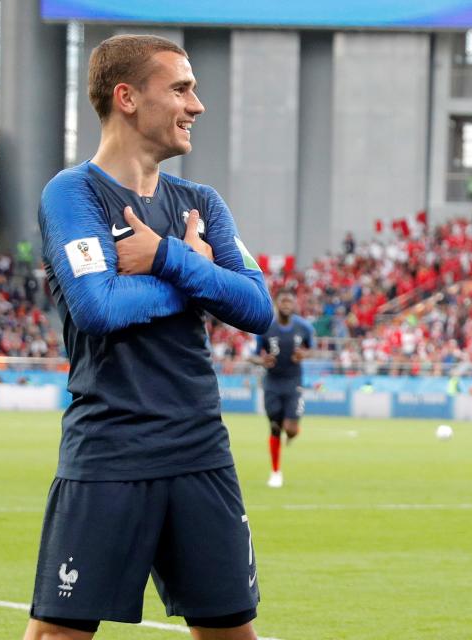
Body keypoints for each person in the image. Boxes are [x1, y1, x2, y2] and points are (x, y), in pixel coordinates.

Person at [26, 35, 273, 640]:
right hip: (109, 451)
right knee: (57, 634)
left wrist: (164, 257)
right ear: (127, 97)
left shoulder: (200, 202)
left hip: (200, 451)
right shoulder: (72, 193)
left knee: (231, 634)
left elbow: (258, 306)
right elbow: (98, 306)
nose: (198, 105)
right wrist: (197, 273)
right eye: (182, 89)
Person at [250, 289, 315, 488]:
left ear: (295, 304)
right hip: (272, 383)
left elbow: (312, 349)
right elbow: (252, 355)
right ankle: (276, 472)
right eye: (283, 301)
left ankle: (293, 433)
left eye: (290, 301)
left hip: (294, 382)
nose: (287, 304)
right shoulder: (266, 328)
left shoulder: (304, 327)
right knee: (275, 427)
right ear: (277, 304)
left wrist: (304, 355)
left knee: (291, 429)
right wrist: (262, 360)